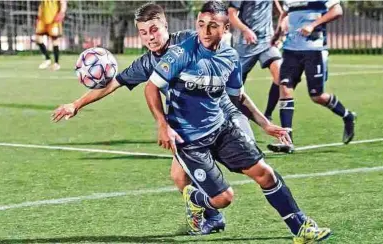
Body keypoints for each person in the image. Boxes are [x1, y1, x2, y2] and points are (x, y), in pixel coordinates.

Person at [52, 2, 289, 235]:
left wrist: (263, 122)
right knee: (178, 176)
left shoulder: (191, 41)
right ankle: (214, 217)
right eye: (143, 33)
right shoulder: (147, 62)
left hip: (227, 118)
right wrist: (76, 104)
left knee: (257, 170)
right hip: (191, 127)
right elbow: (114, 83)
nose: (150, 38)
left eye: (154, 30)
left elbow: (235, 87)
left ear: (166, 26)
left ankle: (288, 217)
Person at [144, 1, 331, 243]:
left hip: (221, 130)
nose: (205, 31)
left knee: (266, 174)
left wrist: (265, 124)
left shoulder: (230, 57)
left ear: (225, 28)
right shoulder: (181, 53)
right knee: (224, 199)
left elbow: (238, 96)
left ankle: (301, 228)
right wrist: (162, 124)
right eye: (201, 24)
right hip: (189, 141)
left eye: (212, 26)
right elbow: (151, 88)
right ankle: (195, 199)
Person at [268, 0, 356, 154]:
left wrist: (313, 25)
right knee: (285, 88)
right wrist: (277, 33)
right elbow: (285, 14)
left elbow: (337, 11)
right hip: (290, 50)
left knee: (316, 96)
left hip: (314, 50)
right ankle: (287, 140)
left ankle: (347, 115)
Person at [228, 0, 283, 121]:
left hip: (267, 42)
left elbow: (281, 12)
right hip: (245, 44)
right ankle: (234, 115)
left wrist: (279, 33)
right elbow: (231, 15)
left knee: (280, 75)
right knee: (234, 85)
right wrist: (245, 30)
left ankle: (267, 115)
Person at [35, 0, 67, 71]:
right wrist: (39, 15)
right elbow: (41, 4)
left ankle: (56, 63)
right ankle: (47, 59)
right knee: (37, 39)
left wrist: (62, 13)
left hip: (54, 19)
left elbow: (63, 2)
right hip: (43, 19)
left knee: (54, 40)